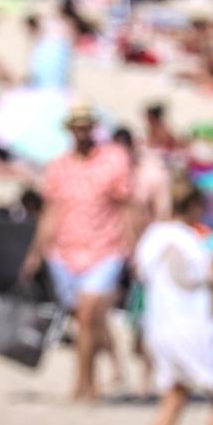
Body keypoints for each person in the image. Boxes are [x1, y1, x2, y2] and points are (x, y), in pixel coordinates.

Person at [24, 105, 134, 401]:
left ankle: (84, 382)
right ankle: (89, 378)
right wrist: (35, 251)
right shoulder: (59, 167)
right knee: (85, 321)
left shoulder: (113, 161)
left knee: (88, 316)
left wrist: (132, 247)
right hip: (64, 251)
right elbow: (51, 211)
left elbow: (126, 206)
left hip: (104, 249)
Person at [136, 178, 213, 425]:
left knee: (173, 400)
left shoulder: (151, 236)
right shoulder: (190, 240)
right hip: (191, 328)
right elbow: (204, 280)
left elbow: (141, 275)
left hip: (158, 326)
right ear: (192, 205)